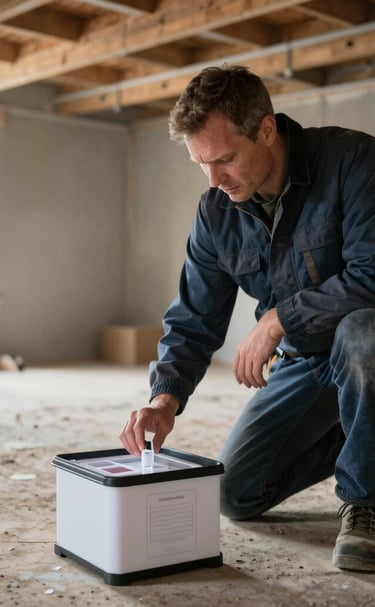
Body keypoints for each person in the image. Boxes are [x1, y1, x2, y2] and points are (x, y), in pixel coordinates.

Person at [119, 65, 375, 572]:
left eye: (225, 159)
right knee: (237, 492)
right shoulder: (216, 211)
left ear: (265, 129)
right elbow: (194, 315)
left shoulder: (353, 160)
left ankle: (367, 503)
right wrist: (164, 400)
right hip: (306, 362)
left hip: (363, 348)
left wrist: (279, 319)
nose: (214, 180)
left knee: (363, 332)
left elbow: (372, 273)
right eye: (201, 164)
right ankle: (361, 430)